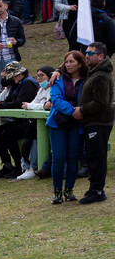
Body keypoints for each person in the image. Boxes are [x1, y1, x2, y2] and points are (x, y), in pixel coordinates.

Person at [46, 49, 86, 203]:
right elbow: (55, 99)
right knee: (58, 157)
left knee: (72, 157)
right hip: (59, 122)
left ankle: (69, 190)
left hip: (76, 125)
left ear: (80, 64)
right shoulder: (58, 79)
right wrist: (74, 111)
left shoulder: (86, 79)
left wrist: (80, 112)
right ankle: (57, 192)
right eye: (66, 61)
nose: (68, 64)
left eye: (72, 61)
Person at [76, 41, 113, 203]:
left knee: (97, 157)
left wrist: (82, 110)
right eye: (86, 52)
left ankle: (97, 191)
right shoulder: (93, 72)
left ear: (101, 56)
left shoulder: (101, 76)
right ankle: (94, 189)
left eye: (90, 53)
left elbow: (101, 102)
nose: (86, 55)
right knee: (92, 155)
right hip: (93, 122)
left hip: (99, 122)